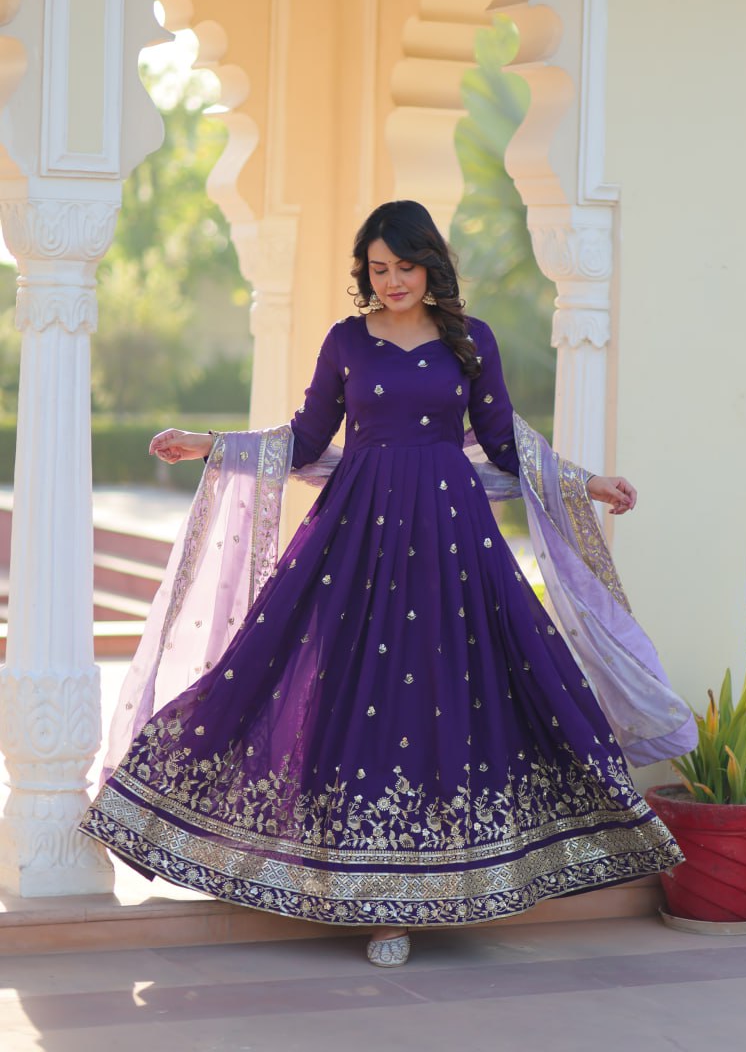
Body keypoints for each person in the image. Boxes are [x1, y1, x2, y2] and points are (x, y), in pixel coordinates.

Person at [80, 201, 692, 968]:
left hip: (451, 541)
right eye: (378, 268)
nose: (393, 281)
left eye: (405, 266)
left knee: (458, 690)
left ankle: (447, 883)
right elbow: (306, 437)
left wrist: (585, 483)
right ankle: (363, 893)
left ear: (430, 265)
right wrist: (211, 444)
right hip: (357, 539)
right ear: (363, 272)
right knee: (330, 685)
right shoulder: (346, 342)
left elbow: (505, 444)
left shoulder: (470, 341)